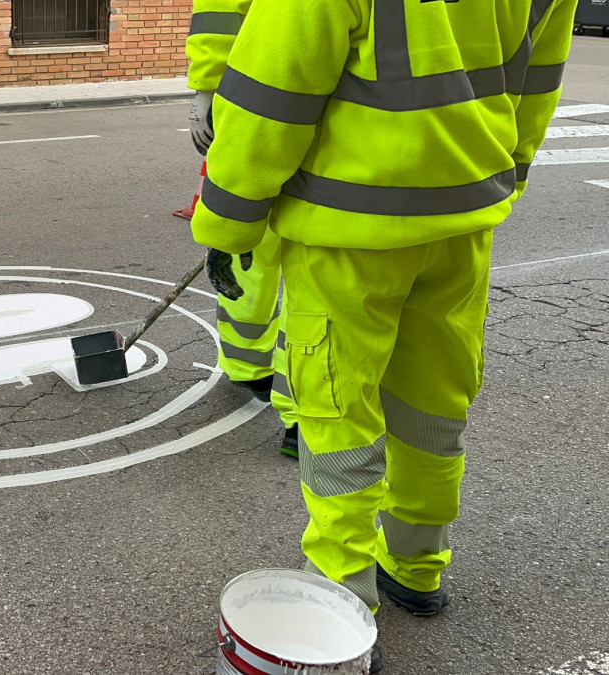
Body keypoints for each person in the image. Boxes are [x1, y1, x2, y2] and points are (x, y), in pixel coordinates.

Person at [190, 0, 577, 670]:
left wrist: (227, 224)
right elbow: (537, 77)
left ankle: (341, 585)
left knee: (337, 409)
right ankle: (417, 566)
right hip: (461, 221)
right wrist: (498, 178)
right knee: (433, 404)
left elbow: (272, 93)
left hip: (347, 227)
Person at [186, 0, 299, 457]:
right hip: (338, 116)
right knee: (308, 275)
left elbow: (219, 15)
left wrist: (207, 89)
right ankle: (301, 410)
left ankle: (253, 370)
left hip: (258, 108)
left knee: (250, 246)